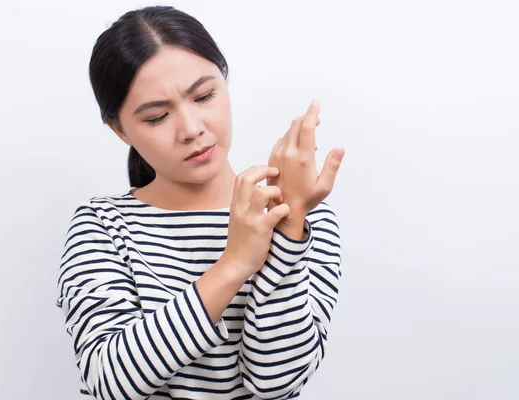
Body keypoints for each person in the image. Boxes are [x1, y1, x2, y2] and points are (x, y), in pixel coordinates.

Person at [56, 5, 345, 400]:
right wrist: (235, 263)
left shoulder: (303, 215)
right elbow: (111, 381)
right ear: (121, 130)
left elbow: (275, 382)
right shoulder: (102, 224)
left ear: (224, 83)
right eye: (157, 117)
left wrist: (291, 222)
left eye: (204, 96)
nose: (191, 129)